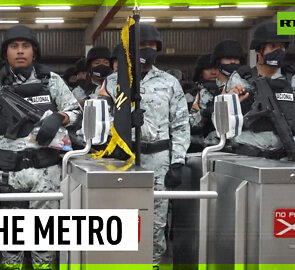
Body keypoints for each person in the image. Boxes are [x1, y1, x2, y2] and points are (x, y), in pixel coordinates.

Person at [0, 25, 81, 270]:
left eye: (25, 46)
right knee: (11, 243)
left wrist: (59, 118)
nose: (20, 52)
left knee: (44, 241)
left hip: (46, 174)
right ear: (5, 53)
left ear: (34, 52)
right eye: (14, 46)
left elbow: (76, 112)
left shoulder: (52, 81)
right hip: (8, 174)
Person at [104, 23, 190, 266]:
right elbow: (98, 122)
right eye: (142, 46)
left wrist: (178, 161)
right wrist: (123, 119)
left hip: (159, 160)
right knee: (121, 218)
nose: (148, 50)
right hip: (121, 159)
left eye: (152, 46)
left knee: (156, 220)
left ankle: (151, 263)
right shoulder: (113, 82)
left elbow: (181, 124)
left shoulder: (169, 82)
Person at [226, 22, 295, 162]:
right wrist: (230, 102)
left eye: (282, 47)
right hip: (246, 154)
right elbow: (225, 120)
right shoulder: (239, 78)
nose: (279, 51)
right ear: (259, 50)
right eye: (273, 47)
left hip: (285, 156)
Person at [190, 40, 244, 147]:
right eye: (228, 59)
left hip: (245, 146)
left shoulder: (247, 86)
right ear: (218, 62)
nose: (233, 62)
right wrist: (207, 112)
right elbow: (191, 124)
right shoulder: (204, 93)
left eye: (236, 59)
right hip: (215, 146)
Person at [188, 53, 220, 152]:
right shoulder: (190, 96)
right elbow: (184, 126)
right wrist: (204, 113)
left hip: (223, 149)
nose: (213, 72)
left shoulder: (229, 92)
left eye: (216, 68)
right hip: (196, 150)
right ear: (200, 72)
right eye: (208, 69)